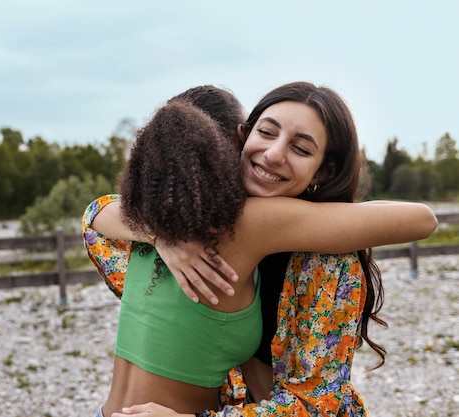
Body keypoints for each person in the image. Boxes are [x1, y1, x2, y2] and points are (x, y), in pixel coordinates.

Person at [83, 82, 438, 417]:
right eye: (265, 132)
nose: (272, 153)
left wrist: (162, 233)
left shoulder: (151, 216)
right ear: (238, 138)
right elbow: (422, 219)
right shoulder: (242, 220)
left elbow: (95, 214)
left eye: (300, 148)